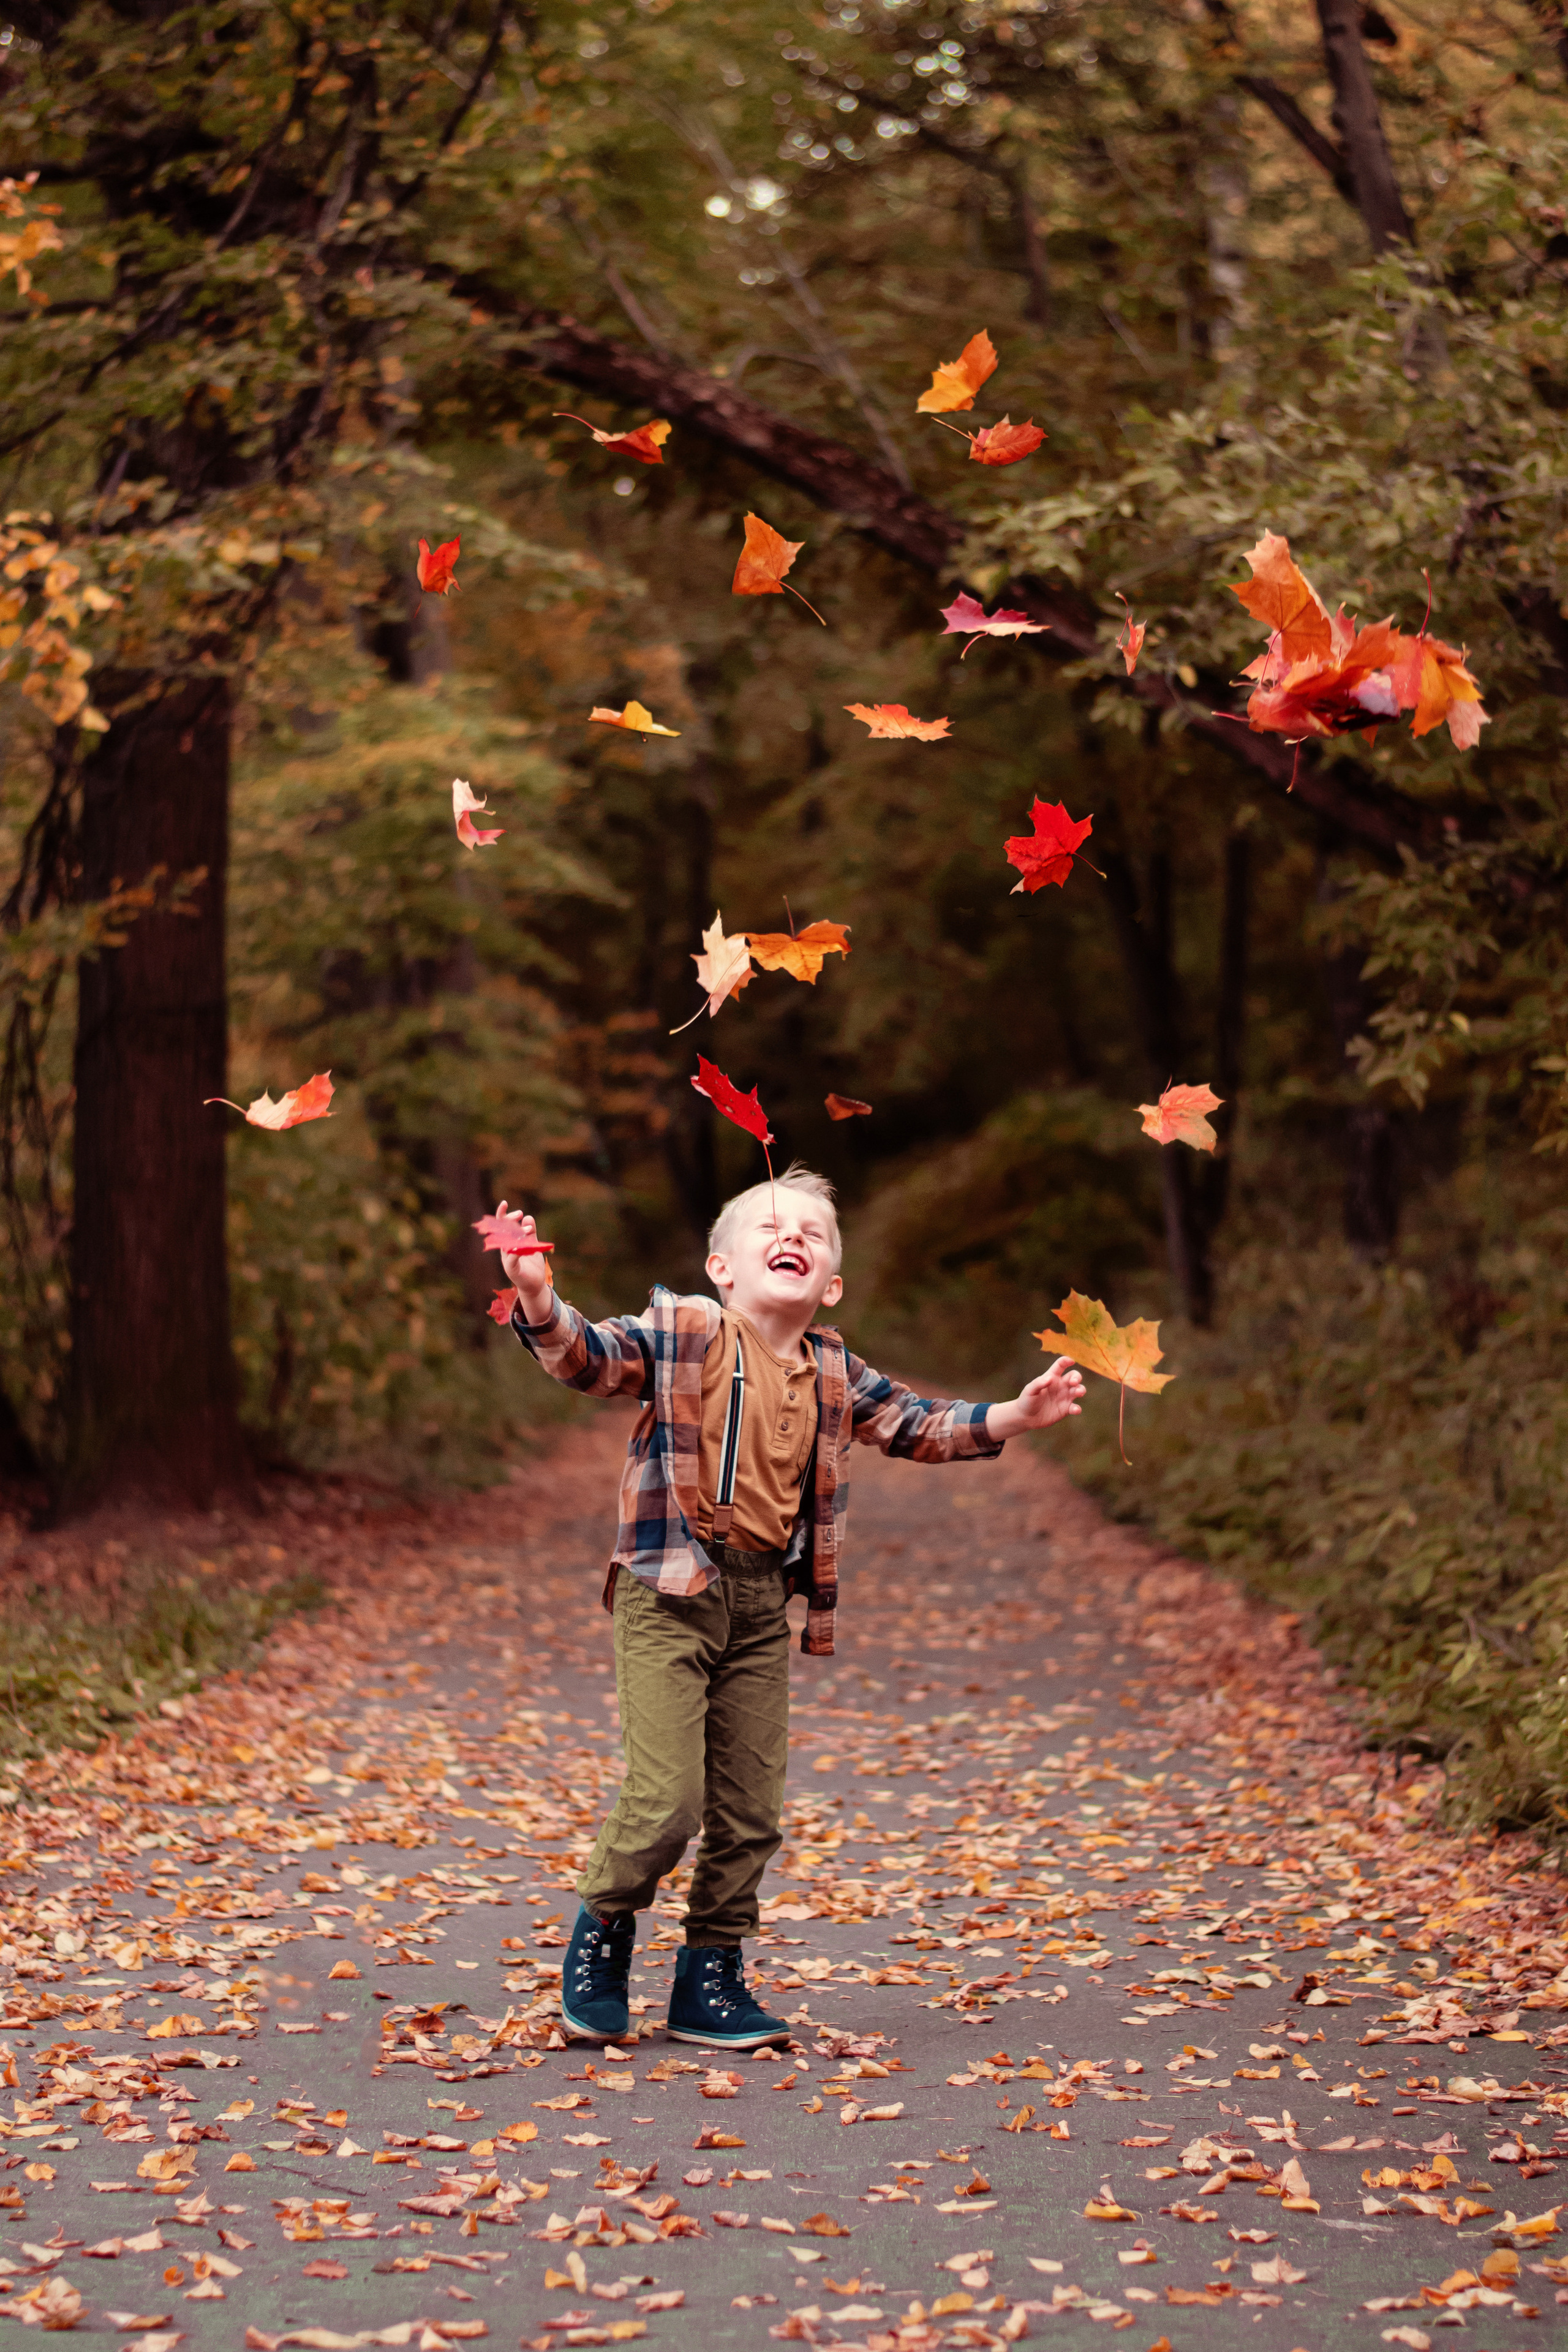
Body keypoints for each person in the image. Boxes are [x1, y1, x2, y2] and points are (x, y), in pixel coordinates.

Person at [490, 1163, 1085, 2048]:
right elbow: (589, 1358)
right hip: (669, 1589)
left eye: (811, 1234)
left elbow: (917, 1424)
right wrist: (539, 1297)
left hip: (763, 1601)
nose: (792, 1238)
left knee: (750, 1811)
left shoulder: (834, 1371)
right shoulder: (686, 1331)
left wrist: (1013, 1416)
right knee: (667, 1801)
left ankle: (709, 1978)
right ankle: (605, 1931)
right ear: (722, 1268)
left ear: (831, 1284)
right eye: (770, 1227)